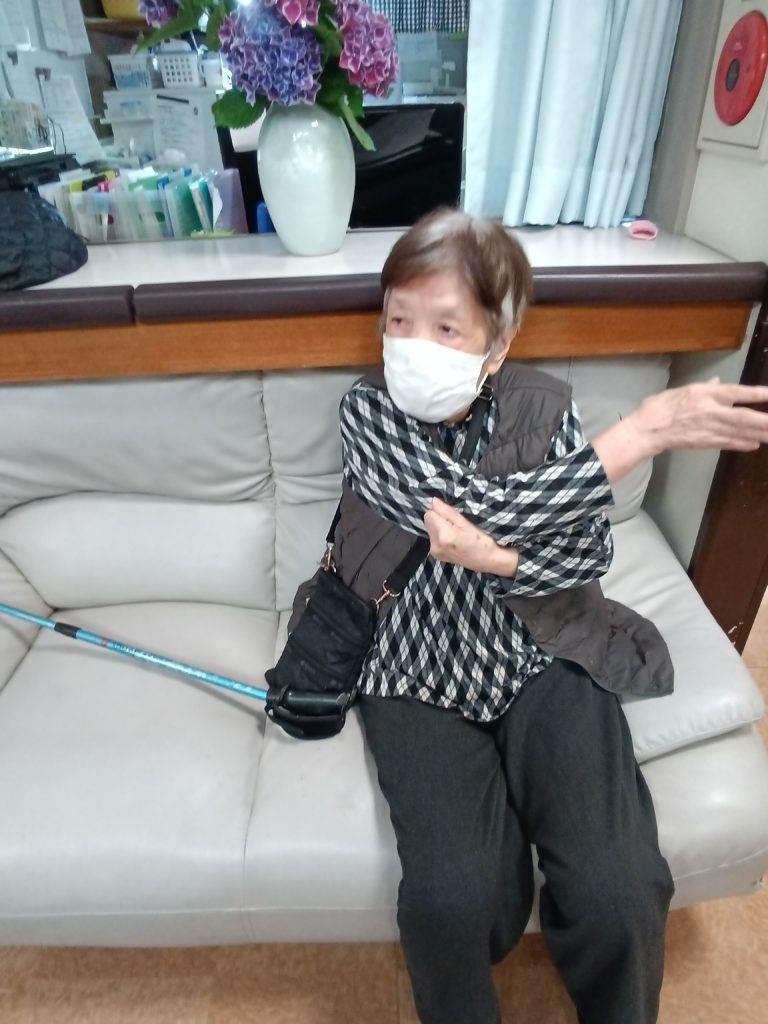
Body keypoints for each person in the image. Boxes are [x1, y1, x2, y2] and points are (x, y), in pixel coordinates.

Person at [295, 209, 768, 1024]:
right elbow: (462, 506)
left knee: (620, 886)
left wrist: (500, 561)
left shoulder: (546, 408)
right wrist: (640, 434)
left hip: (541, 649)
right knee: (453, 898)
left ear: (497, 345)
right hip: (412, 661)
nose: (413, 345)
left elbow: (586, 552)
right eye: (398, 321)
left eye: (447, 328)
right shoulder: (367, 415)